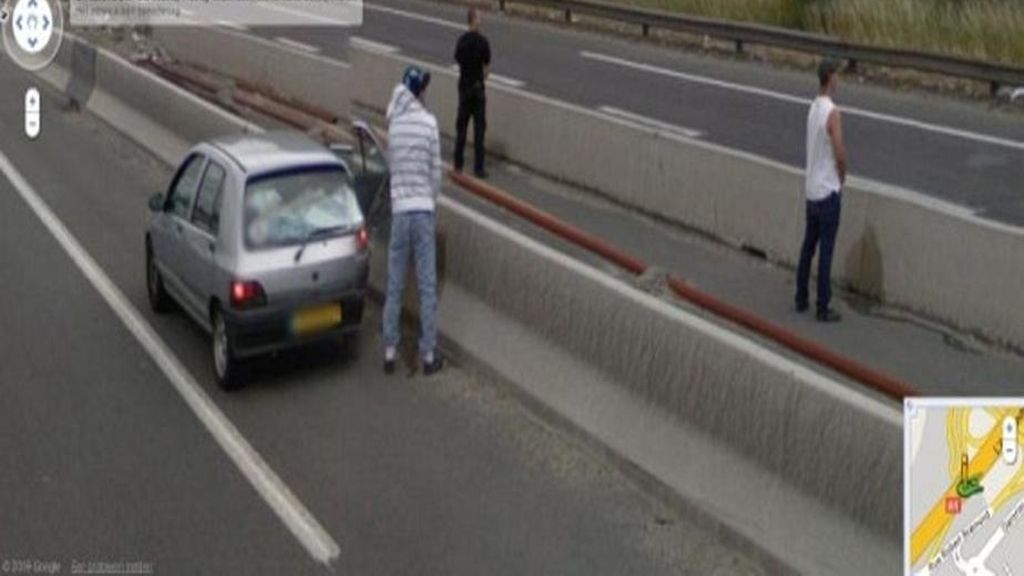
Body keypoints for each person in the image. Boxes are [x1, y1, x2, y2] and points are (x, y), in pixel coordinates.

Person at [382, 66, 445, 376]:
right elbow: (436, 172)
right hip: (422, 211)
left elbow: (392, 167)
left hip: (399, 212)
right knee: (427, 285)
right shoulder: (429, 124)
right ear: (418, 92)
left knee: (394, 283)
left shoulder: (394, 124)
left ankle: (390, 350)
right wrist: (430, 201)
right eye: (424, 88)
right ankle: (428, 354)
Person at [796, 58, 847, 323]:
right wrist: (842, 175)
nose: (839, 79)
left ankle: (801, 295)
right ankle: (823, 305)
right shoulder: (832, 112)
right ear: (830, 78)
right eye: (837, 75)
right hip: (827, 191)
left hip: (811, 190)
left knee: (809, 246)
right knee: (826, 251)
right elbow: (839, 150)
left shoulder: (813, 107)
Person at [453, 6, 491, 179]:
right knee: (479, 130)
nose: (480, 20)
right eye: (479, 17)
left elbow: (458, 60)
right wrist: (480, 77)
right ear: (474, 20)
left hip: (464, 88)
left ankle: (458, 164)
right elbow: (486, 68)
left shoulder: (461, 41)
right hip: (478, 90)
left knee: (461, 128)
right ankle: (478, 168)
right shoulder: (483, 42)